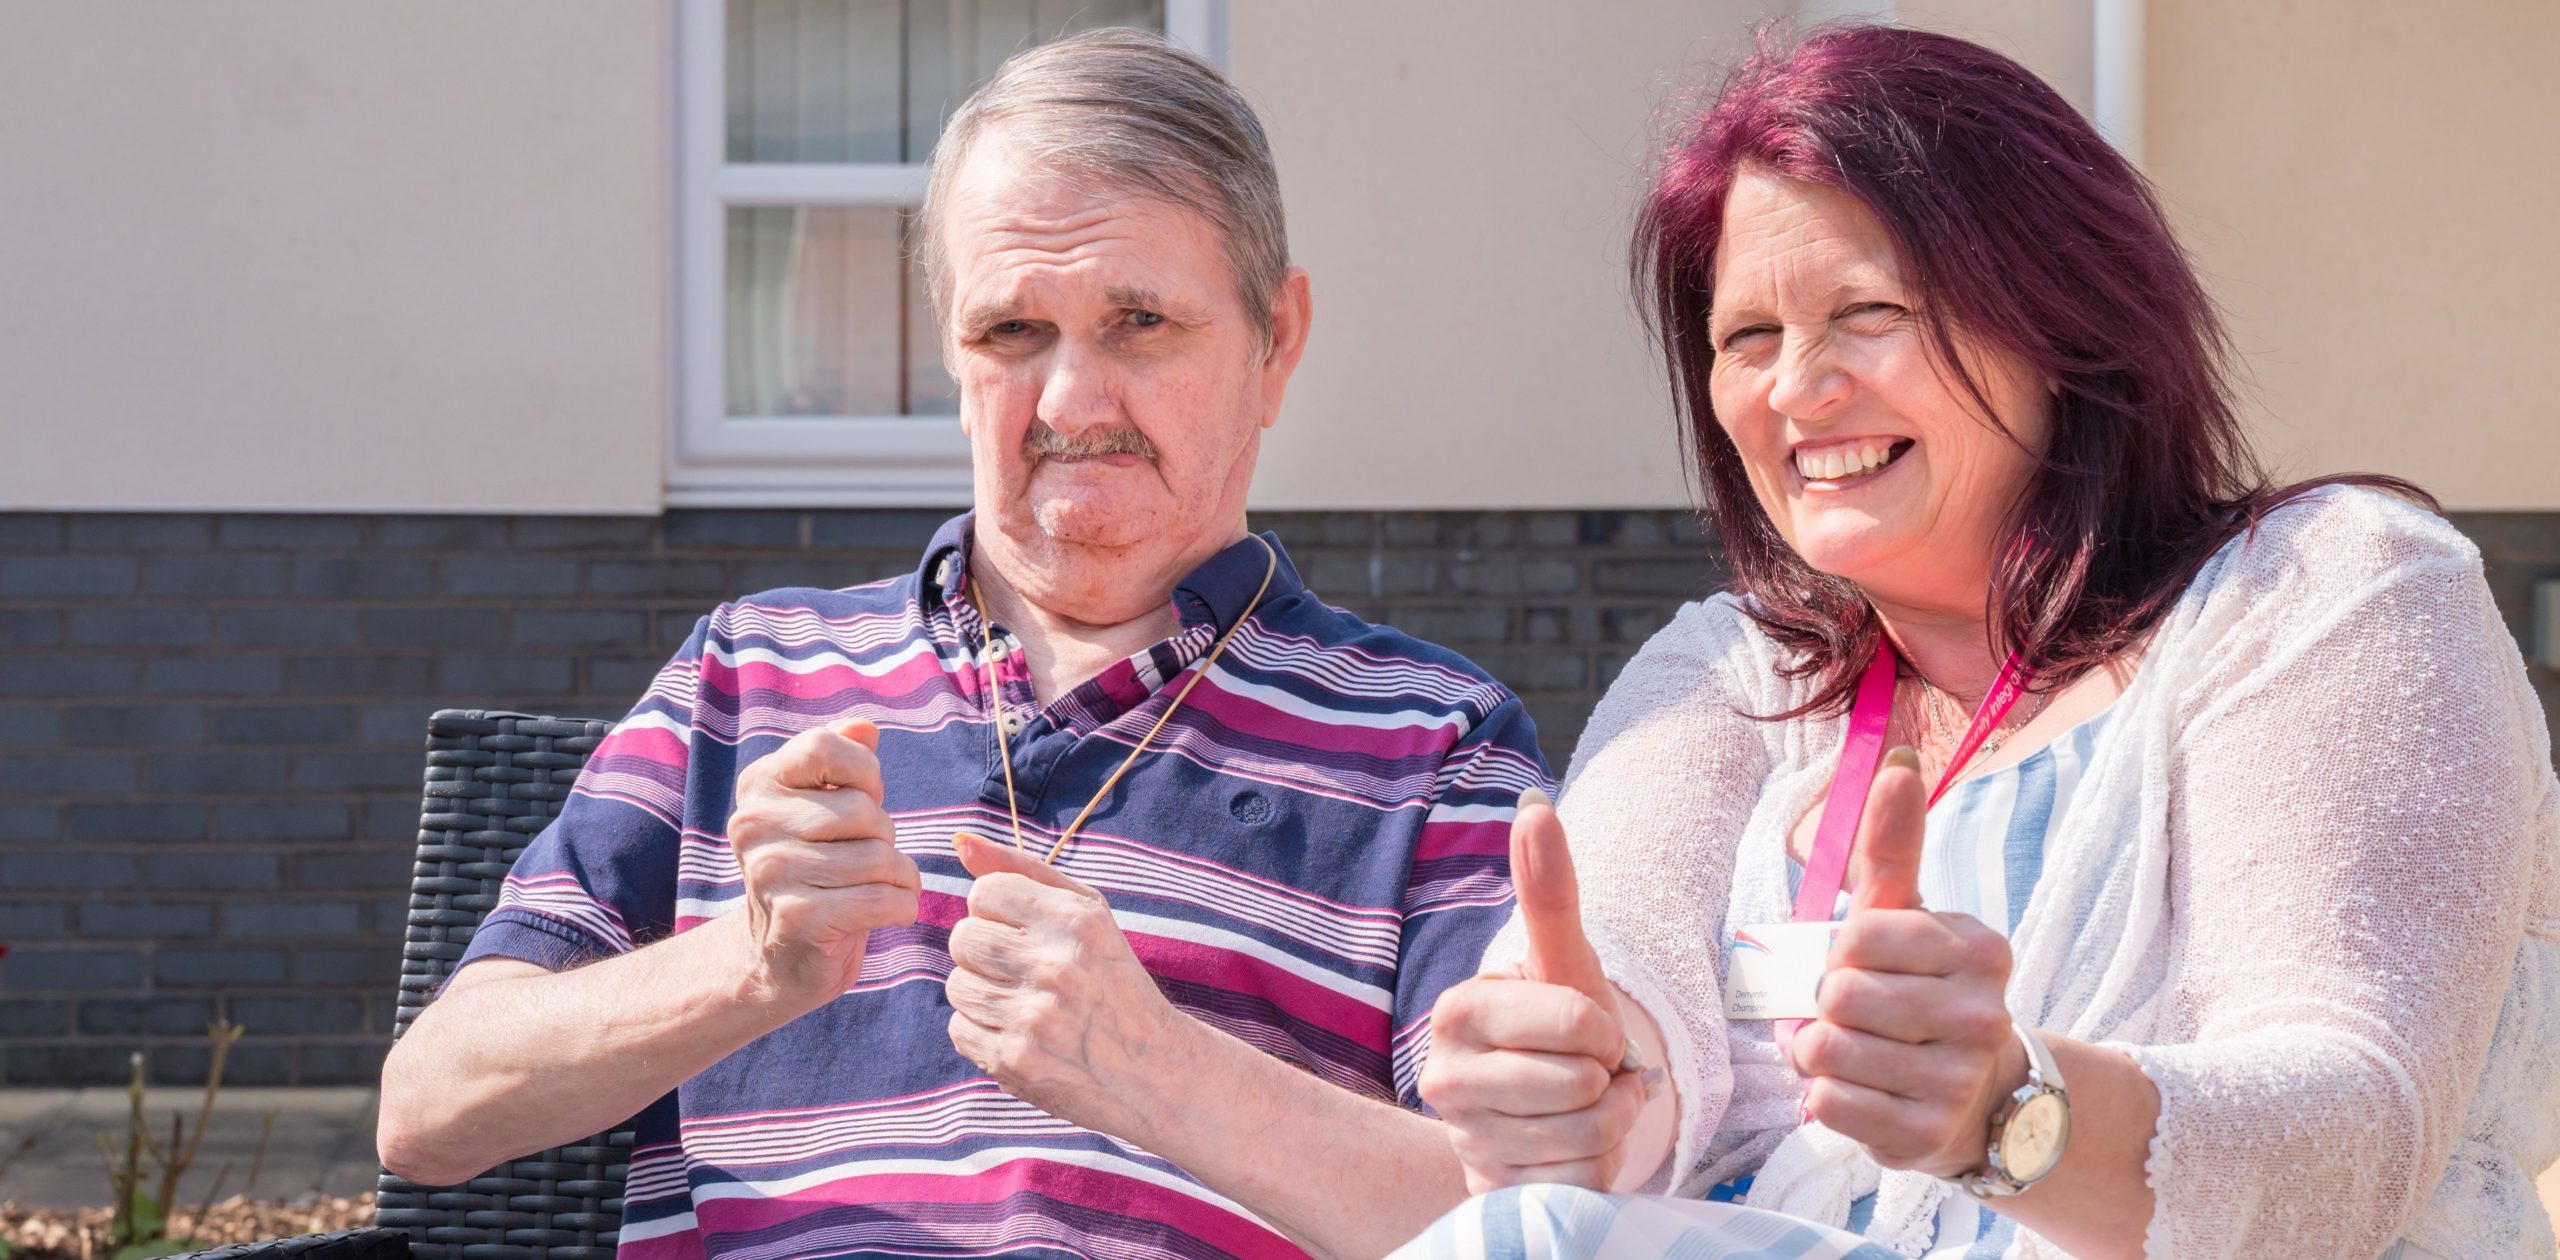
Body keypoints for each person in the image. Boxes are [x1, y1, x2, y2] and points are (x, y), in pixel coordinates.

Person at [376, 30, 1547, 1260]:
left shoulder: (1433, 744)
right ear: (948, 346)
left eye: (1140, 322)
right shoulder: (751, 675)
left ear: (1277, 343)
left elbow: (1526, 1219)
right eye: (1010, 333)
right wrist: (751, 967)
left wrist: (1157, 1070)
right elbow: (431, 1112)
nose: (1069, 401)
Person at [1404, 23, 2560, 1260]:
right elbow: (1615, 990)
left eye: (1868, 311)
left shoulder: (2328, 591)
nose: (1797, 387)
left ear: (2059, 322)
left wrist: (2011, 1107)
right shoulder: (1727, 675)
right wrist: (1562, 1084)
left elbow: (2347, 1130)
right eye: (1747, 338)